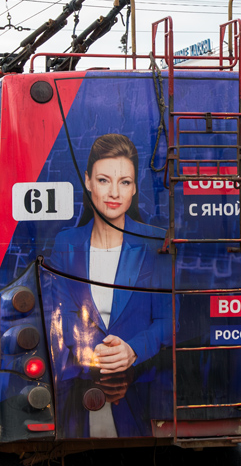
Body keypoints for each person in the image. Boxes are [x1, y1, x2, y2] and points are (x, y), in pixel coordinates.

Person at [42, 133, 170, 439]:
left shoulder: (155, 242)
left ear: (135, 188)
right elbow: (57, 310)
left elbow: (169, 320)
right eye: (103, 180)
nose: (114, 192)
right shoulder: (65, 244)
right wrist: (92, 352)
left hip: (138, 394)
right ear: (88, 181)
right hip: (78, 392)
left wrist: (132, 351)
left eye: (124, 182)